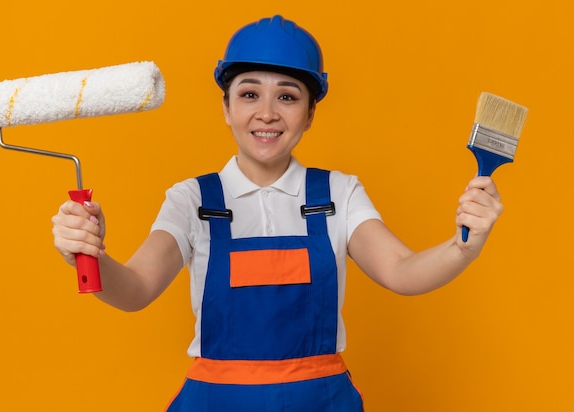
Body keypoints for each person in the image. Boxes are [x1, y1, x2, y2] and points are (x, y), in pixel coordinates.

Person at [52, 15, 503, 411]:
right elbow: (136, 290)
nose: (266, 113)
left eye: (287, 97)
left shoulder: (339, 193)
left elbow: (402, 272)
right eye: (249, 94)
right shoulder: (191, 199)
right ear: (226, 108)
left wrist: (463, 246)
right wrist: (90, 255)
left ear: (309, 115)